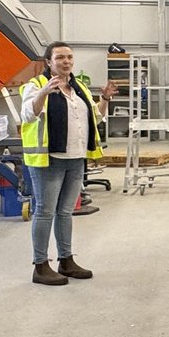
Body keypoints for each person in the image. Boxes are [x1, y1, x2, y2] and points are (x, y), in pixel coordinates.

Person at [20, 41, 116, 286]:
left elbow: (97, 117)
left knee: (65, 212)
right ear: (49, 62)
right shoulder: (36, 85)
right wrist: (44, 93)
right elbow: (27, 115)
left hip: (75, 158)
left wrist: (104, 98)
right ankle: (41, 266)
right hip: (48, 160)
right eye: (60, 57)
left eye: (70, 57)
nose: (66, 61)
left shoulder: (79, 87)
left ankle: (66, 260)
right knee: (44, 212)